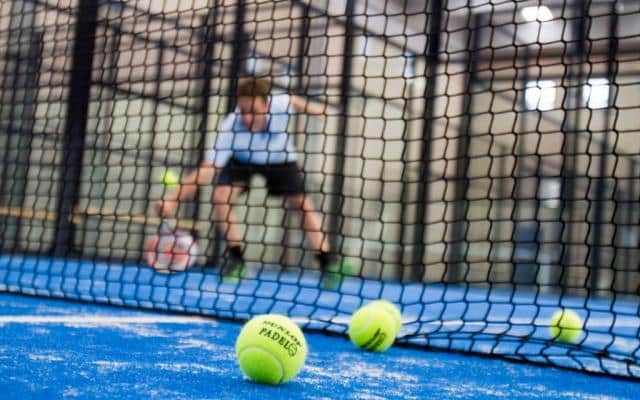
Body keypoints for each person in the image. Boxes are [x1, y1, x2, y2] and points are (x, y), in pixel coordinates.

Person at [155, 77, 349, 289]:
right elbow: (206, 170)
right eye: (243, 110)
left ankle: (327, 263)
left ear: (266, 105)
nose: (247, 117)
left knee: (302, 206)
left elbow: (293, 99)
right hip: (242, 160)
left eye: (253, 111)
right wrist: (173, 199)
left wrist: (316, 110)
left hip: (280, 159)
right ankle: (236, 260)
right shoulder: (231, 126)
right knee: (221, 196)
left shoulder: (279, 105)